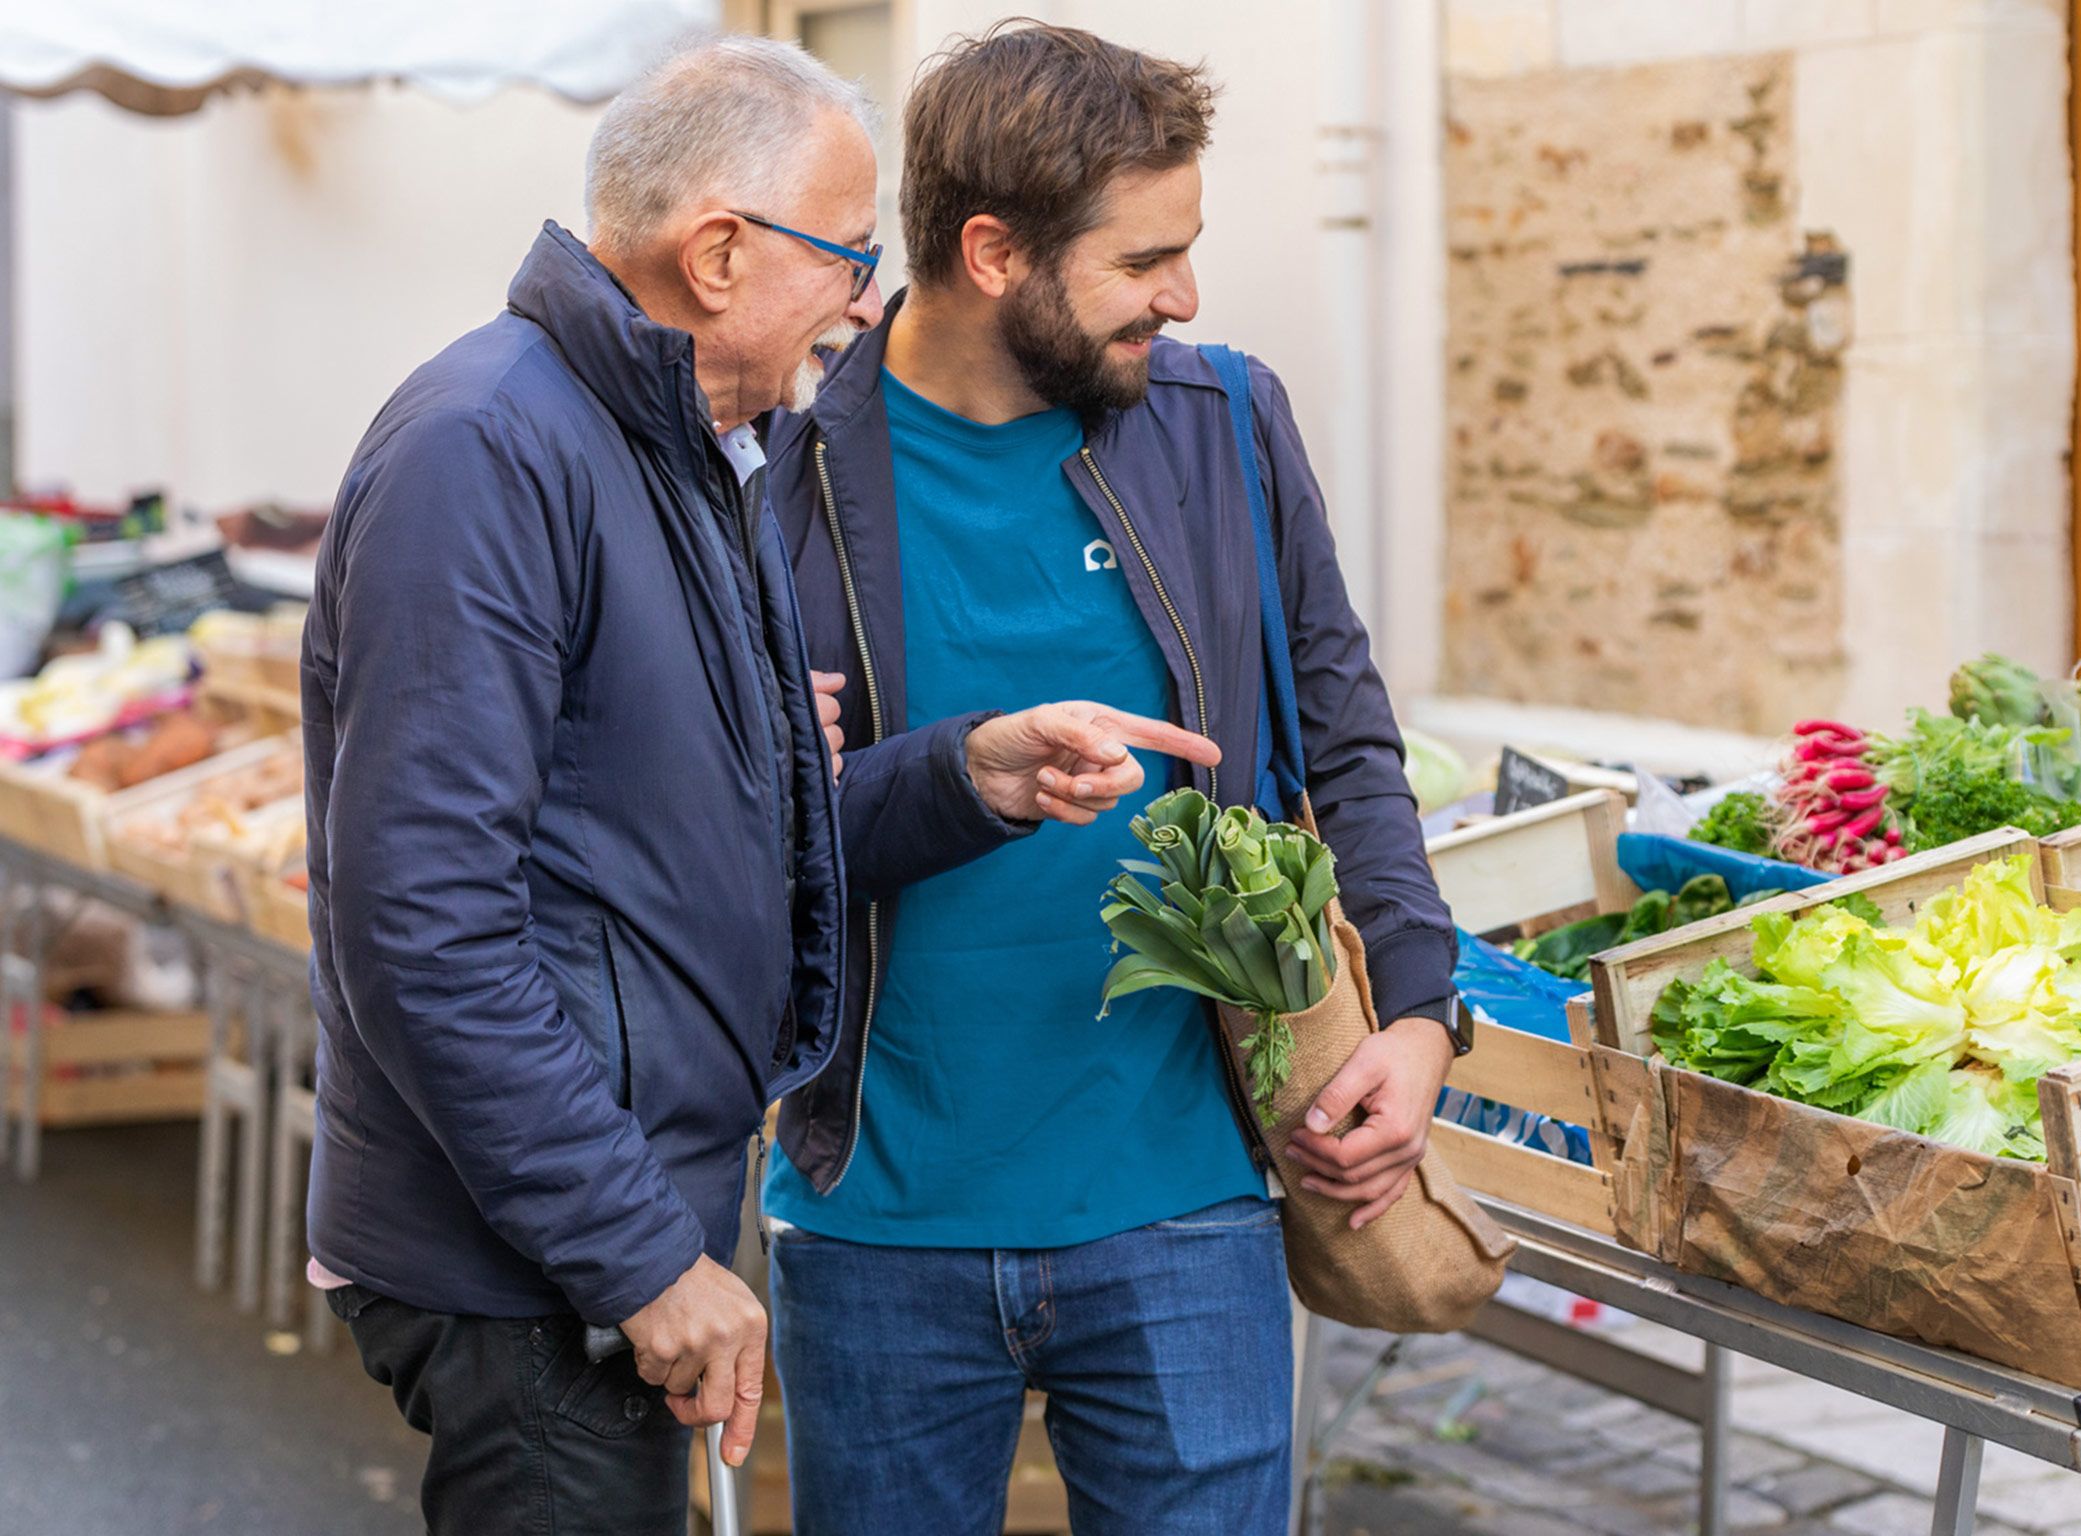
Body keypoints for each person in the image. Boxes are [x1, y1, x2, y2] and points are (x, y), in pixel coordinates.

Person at [761, 22, 1468, 1535]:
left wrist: (1416, 1015)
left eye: (1188, 249)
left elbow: (1345, 739)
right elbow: (755, 846)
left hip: (1186, 1204)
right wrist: (964, 778)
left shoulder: (1226, 428)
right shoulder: (785, 486)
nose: (1185, 296)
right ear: (994, 251)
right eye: (1145, 260)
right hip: (879, 1218)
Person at [299, 39, 879, 1534]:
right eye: (850, 252)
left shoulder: (685, 441)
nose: (865, 297)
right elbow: (423, 923)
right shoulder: (490, 446)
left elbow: (690, 830)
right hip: (537, 1270)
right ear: (721, 251)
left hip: (587, 1233)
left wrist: (953, 780)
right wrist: (635, 1255)